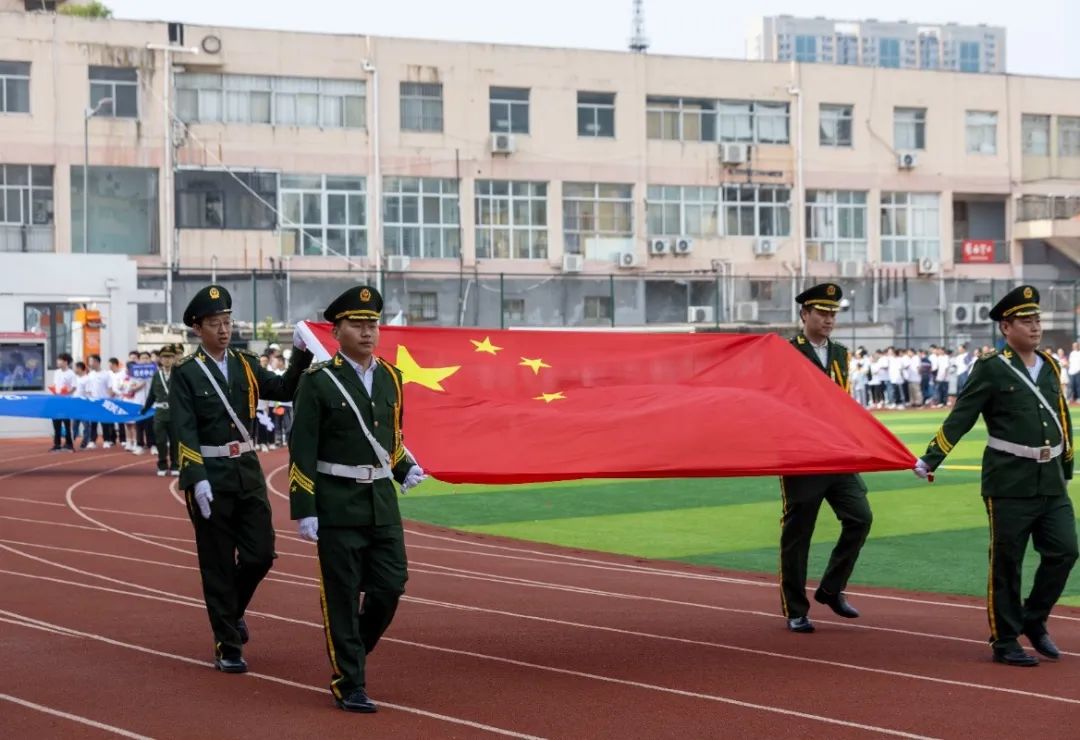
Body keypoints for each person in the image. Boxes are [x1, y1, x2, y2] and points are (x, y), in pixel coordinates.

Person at [914, 285, 1078, 667]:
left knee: (1065, 551)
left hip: (1050, 479)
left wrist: (1066, 465)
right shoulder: (990, 367)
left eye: (1037, 319)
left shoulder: (1049, 365)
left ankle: (1033, 619)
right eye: (1026, 321)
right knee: (1007, 562)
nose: (1035, 327)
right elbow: (962, 416)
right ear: (1006, 326)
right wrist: (931, 458)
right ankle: (1004, 640)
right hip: (1008, 482)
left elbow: (1061, 417)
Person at [289, 285, 425, 712]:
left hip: (380, 502)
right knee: (342, 595)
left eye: (373, 324)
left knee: (391, 585)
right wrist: (305, 508)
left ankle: (351, 651)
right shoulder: (318, 382)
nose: (368, 332)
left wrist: (403, 468)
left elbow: (390, 440)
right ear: (336, 331)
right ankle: (350, 682)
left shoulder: (391, 377)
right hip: (336, 502)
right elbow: (302, 448)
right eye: (357, 324)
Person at [170, 285, 312, 673]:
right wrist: (195, 476)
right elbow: (184, 427)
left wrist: (301, 353)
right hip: (210, 474)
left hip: (247, 471)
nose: (223, 330)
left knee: (260, 554)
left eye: (227, 322)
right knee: (217, 562)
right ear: (198, 328)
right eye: (214, 323)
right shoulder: (186, 372)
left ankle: (231, 611)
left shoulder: (245, 364)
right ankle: (227, 644)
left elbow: (284, 388)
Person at [779, 283, 873, 633]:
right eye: (822, 312)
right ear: (804, 314)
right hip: (802, 456)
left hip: (837, 453)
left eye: (833, 313)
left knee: (860, 517)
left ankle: (832, 588)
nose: (829, 319)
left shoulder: (840, 354)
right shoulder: (786, 352)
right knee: (798, 534)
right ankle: (795, 609)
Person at [141, 344, 180, 477]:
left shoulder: (180, 374)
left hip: (175, 414)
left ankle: (175, 465)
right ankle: (162, 465)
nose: (167, 360)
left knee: (175, 441)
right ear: (160, 359)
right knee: (160, 441)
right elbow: (152, 395)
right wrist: (145, 409)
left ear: (174, 359)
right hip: (160, 413)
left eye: (170, 357)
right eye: (164, 357)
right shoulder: (157, 375)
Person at [49, 352, 76, 452]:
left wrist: (66, 392)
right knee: (56, 423)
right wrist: (53, 389)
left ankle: (69, 443)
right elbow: (55, 385)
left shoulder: (71, 373)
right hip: (56, 400)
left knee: (66, 423)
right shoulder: (57, 372)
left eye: (59, 360)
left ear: (65, 362)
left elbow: (74, 387)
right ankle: (57, 444)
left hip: (66, 401)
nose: (57, 362)